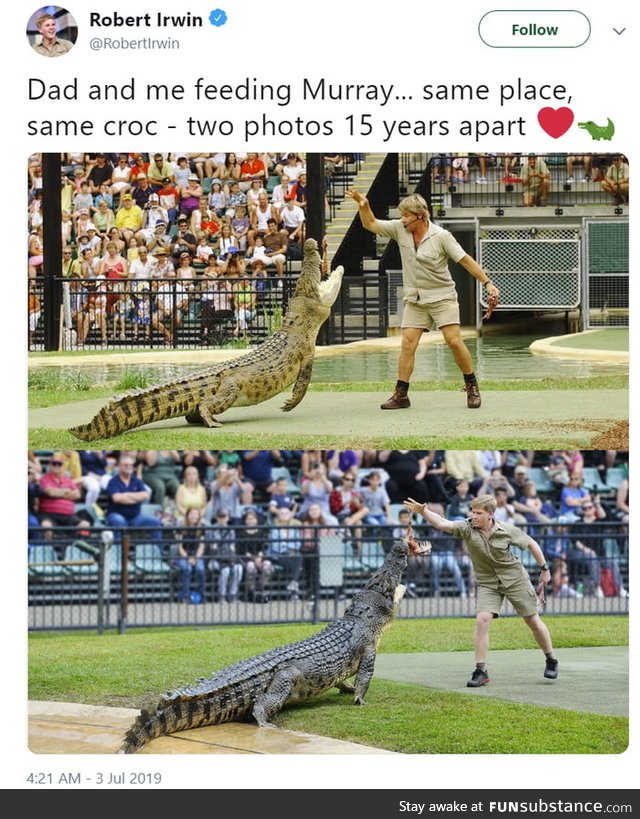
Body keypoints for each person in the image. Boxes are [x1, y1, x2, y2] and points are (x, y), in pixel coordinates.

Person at [346, 190, 499, 410]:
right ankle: (401, 395)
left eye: (407, 215)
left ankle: (471, 385)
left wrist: (488, 284)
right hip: (415, 299)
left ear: (420, 216)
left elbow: (465, 261)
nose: (402, 219)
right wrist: (363, 204)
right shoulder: (400, 229)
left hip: (442, 296)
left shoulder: (441, 236)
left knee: (453, 341)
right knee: (407, 343)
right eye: (402, 215)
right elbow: (370, 223)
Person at [405, 493, 558, 685]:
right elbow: (443, 524)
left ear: (490, 514)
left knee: (532, 620)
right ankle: (480, 671)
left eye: (478, 513)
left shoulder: (508, 530)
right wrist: (424, 511)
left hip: (515, 578)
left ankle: (551, 659)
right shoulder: (467, 528)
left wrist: (545, 569)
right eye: (472, 512)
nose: (473, 516)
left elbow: (531, 544)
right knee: (482, 619)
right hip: (488, 582)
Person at [105, 455, 162, 540]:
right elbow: (116, 499)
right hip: (116, 515)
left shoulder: (137, 481)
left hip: (135, 517)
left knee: (156, 522)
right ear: (119, 466)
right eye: (125, 465)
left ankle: (157, 552)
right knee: (118, 522)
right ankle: (118, 551)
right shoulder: (113, 481)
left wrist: (125, 495)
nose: (128, 467)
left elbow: (145, 496)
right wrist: (136, 497)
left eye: (130, 465)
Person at [174, 507, 207, 603]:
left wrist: (196, 558)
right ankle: (185, 595)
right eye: (192, 514)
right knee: (186, 568)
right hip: (183, 555)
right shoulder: (181, 527)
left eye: (196, 514)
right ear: (187, 515)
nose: (194, 516)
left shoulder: (202, 527)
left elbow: (201, 546)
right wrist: (188, 558)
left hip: (197, 555)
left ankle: (202, 594)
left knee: (200, 569)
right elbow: (179, 547)